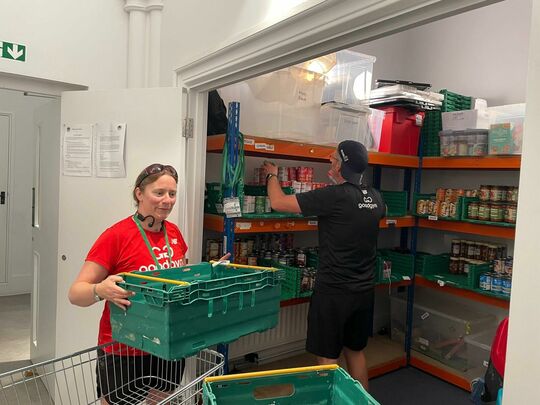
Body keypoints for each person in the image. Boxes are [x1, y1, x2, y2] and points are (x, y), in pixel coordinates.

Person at [68, 163, 219, 405]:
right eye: (159, 193)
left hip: (167, 343)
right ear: (139, 193)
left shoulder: (175, 234)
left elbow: (181, 281)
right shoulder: (117, 235)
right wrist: (99, 290)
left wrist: (207, 274)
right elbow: (76, 294)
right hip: (124, 347)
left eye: (172, 194)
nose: (167, 200)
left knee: (162, 401)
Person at [263, 140, 385, 390]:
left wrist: (272, 176)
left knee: (327, 358)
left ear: (342, 165)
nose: (330, 161)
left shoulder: (334, 196)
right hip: (363, 290)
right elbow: (365, 211)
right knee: (355, 351)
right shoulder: (375, 197)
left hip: (334, 291)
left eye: (334, 159)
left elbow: (278, 202)